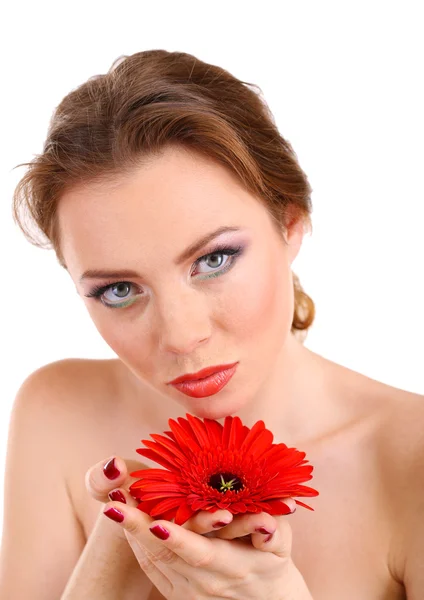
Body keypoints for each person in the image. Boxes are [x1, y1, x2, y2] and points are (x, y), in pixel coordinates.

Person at [0, 49, 423, 600]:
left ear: (290, 223)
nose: (180, 337)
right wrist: (111, 560)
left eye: (214, 260)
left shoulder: (410, 459)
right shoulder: (58, 411)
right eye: (119, 290)